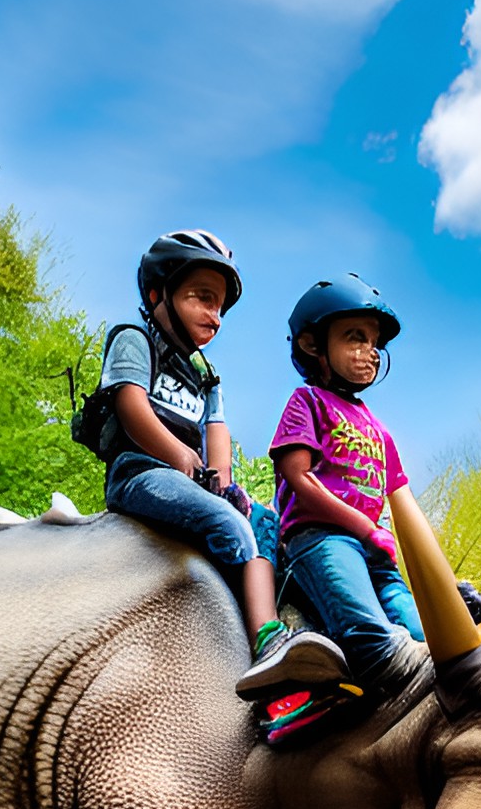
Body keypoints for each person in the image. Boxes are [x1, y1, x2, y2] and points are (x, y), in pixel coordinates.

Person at [91, 229, 348, 700]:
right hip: (141, 473)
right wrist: (179, 457)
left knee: (267, 524)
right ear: (157, 294)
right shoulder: (133, 339)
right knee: (228, 526)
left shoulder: (207, 375)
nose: (214, 315)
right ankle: (265, 647)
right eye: (201, 298)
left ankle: (321, 633)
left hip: (188, 478)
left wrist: (226, 483)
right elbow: (131, 404)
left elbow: (217, 437)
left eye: (220, 306)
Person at [269, 274, 481, 730]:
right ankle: (306, 691)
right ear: (314, 345)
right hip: (322, 539)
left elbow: (404, 506)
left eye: (374, 341)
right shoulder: (307, 402)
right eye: (355, 337)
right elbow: (298, 478)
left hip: (377, 547)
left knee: (428, 636)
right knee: (375, 640)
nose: (370, 350)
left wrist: (449, 590)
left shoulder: (379, 430)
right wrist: (363, 527)